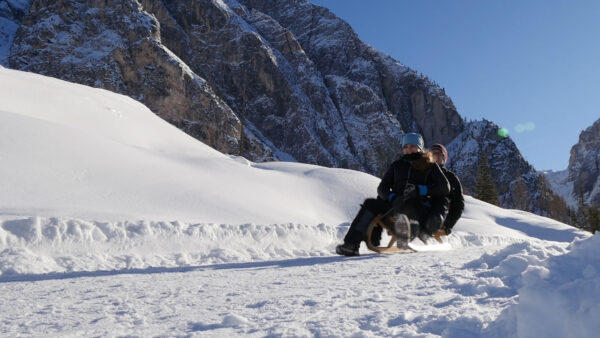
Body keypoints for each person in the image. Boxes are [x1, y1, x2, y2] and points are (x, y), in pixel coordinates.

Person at [336, 133, 450, 256]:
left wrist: (420, 190)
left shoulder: (430, 165)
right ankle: (351, 244)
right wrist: (392, 197)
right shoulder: (397, 165)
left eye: (412, 146)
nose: (408, 149)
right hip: (396, 203)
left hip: (419, 205)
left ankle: (408, 233)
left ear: (420, 148)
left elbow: (445, 187)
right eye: (405, 146)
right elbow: (382, 187)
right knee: (370, 204)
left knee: (409, 210)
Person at [430, 144, 464, 235]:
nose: (436, 156)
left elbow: (458, 203)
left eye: (439, 154)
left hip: (440, 215)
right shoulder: (424, 174)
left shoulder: (451, 177)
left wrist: (448, 225)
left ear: (444, 158)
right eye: (433, 154)